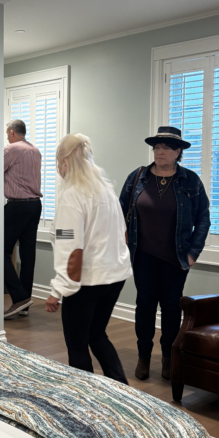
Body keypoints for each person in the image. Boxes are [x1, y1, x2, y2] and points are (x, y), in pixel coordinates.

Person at [120, 126, 210, 382]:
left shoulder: (190, 181)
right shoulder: (138, 178)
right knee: (145, 306)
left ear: (178, 152)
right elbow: (119, 213)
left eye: (166, 147)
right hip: (142, 255)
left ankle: (169, 359)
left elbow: (203, 219)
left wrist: (193, 252)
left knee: (171, 308)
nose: (160, 151)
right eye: (157, 147)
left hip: (176, 257)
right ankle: (143, 357)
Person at [45, 134, 132, 384]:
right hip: (114, 277)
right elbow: (121, 235)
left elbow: (70, 246)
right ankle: (122, 387)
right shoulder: (106, 190)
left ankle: (85, 397)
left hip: (86, 282)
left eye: (58, 163)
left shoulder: (72, 196)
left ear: (64, 162)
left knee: (77, 343)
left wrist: (58, 290)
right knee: (97, 334)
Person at [3, 119, 42, 319]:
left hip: (17, 206)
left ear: (11, 133)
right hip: (35, 205)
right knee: (28, 256)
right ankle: (24, 304)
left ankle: (19, 297)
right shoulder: (35, 150)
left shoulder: (11, 150)